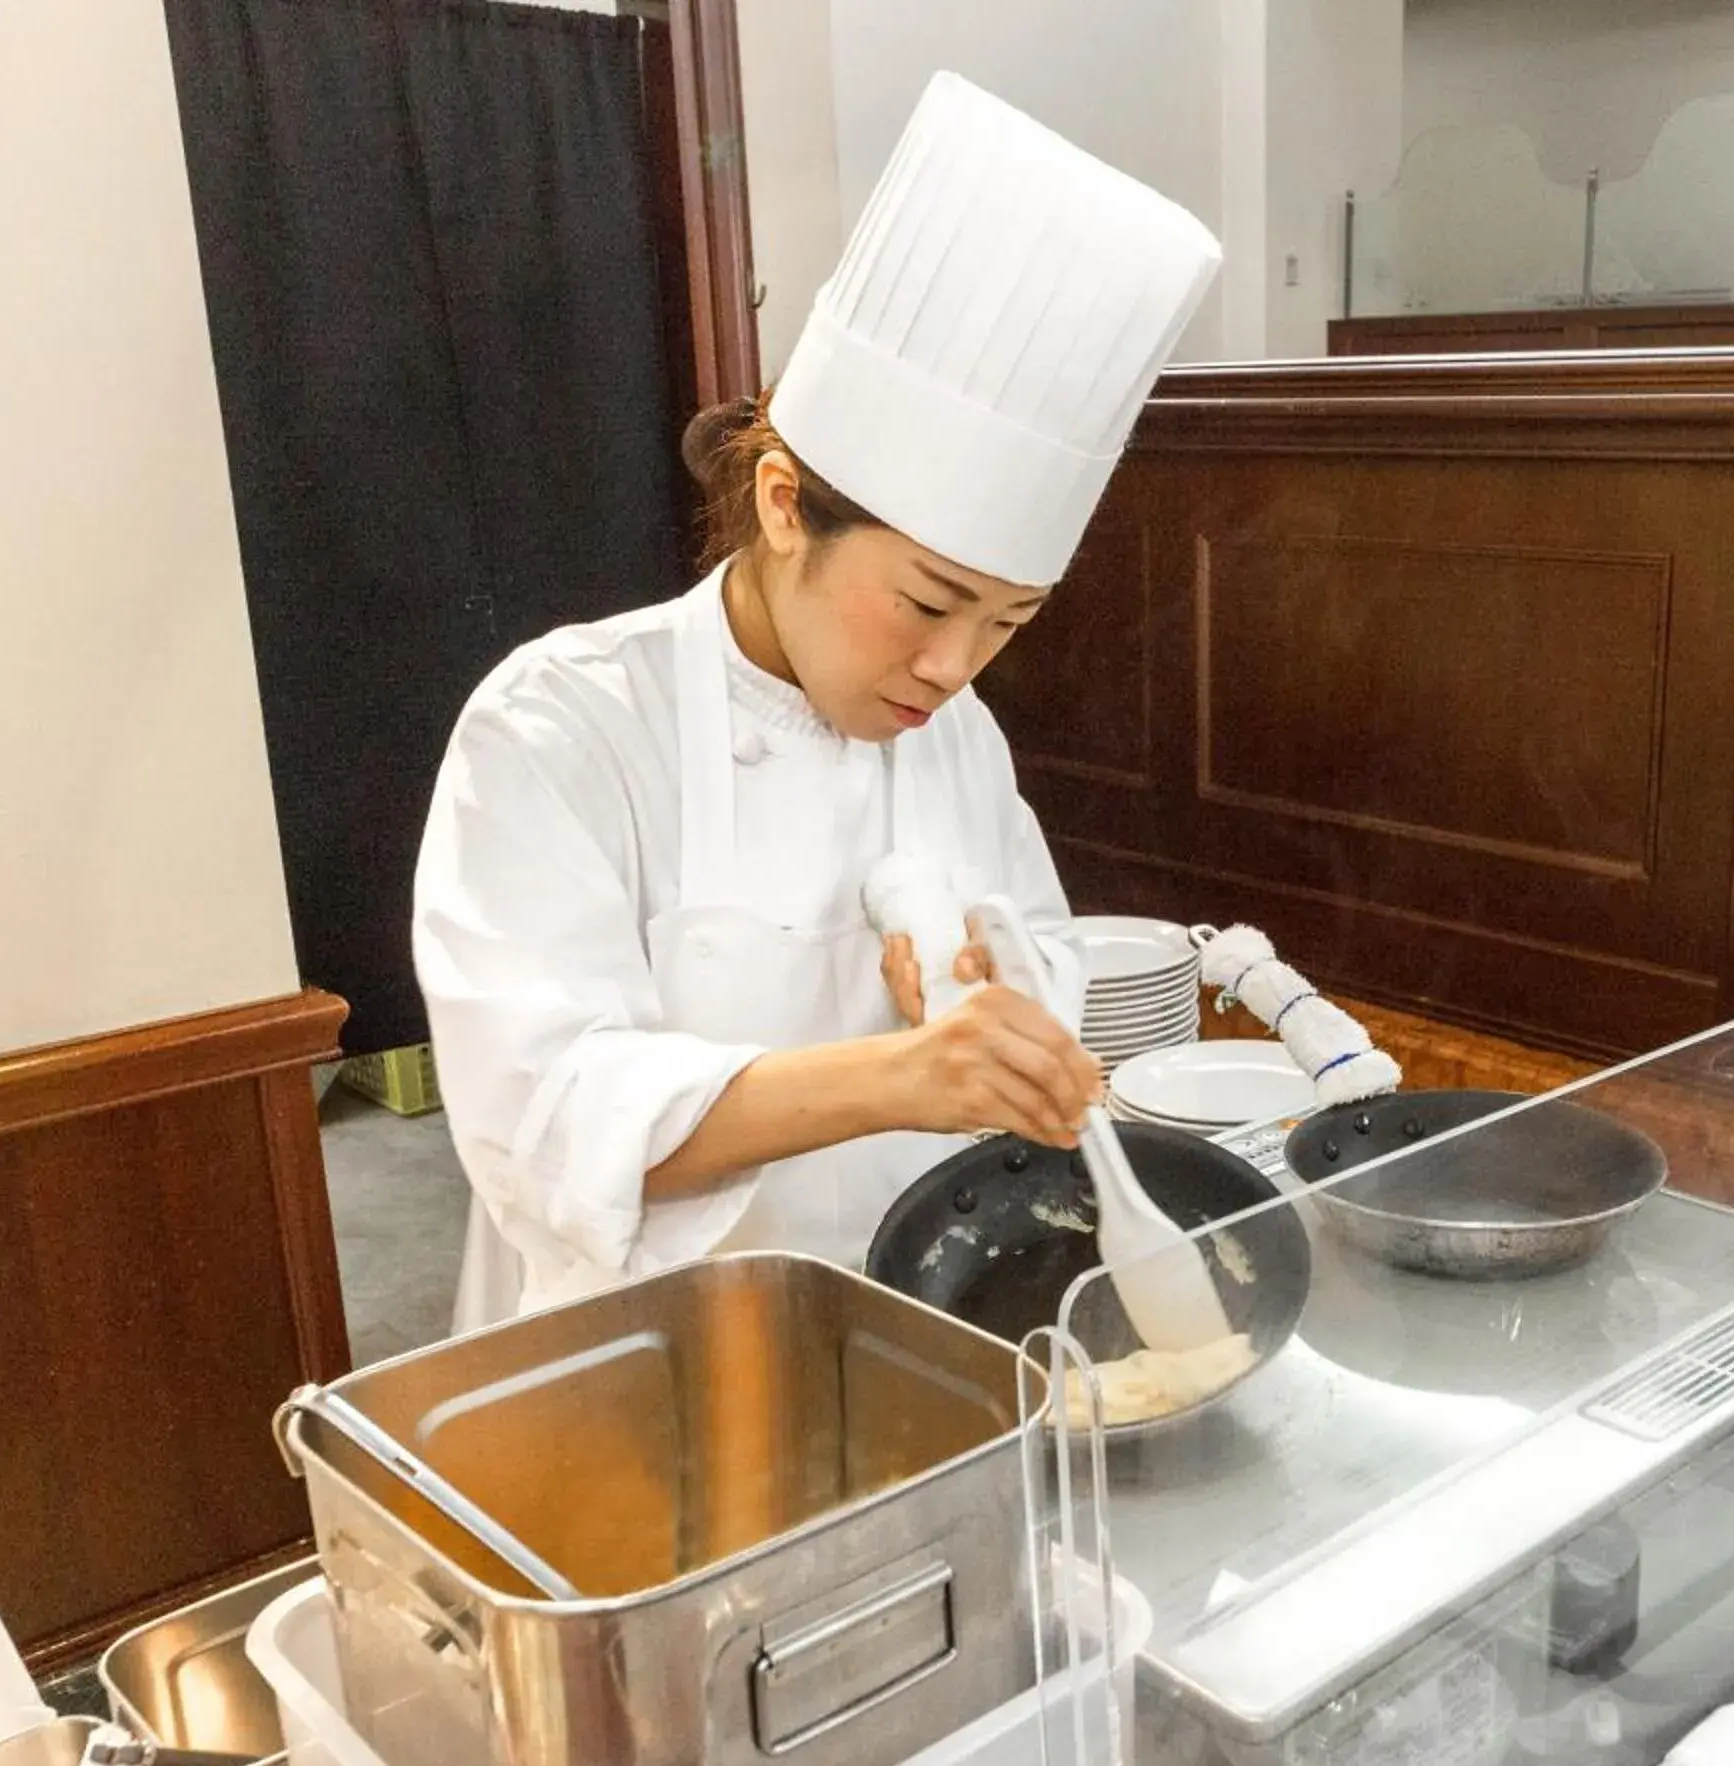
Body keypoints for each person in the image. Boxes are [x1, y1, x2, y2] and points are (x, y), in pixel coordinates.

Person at [415, 73, 1221, 1323]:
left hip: (925, 1323)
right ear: (786, 505)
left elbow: (1046, 953)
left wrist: (1001, 990)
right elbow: (550, 1128)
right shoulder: (559, 727)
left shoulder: (958, 736)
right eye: (928, 601)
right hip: (656, 1360)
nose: (955, 668)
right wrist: (902, 1072)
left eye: (1007, 622)